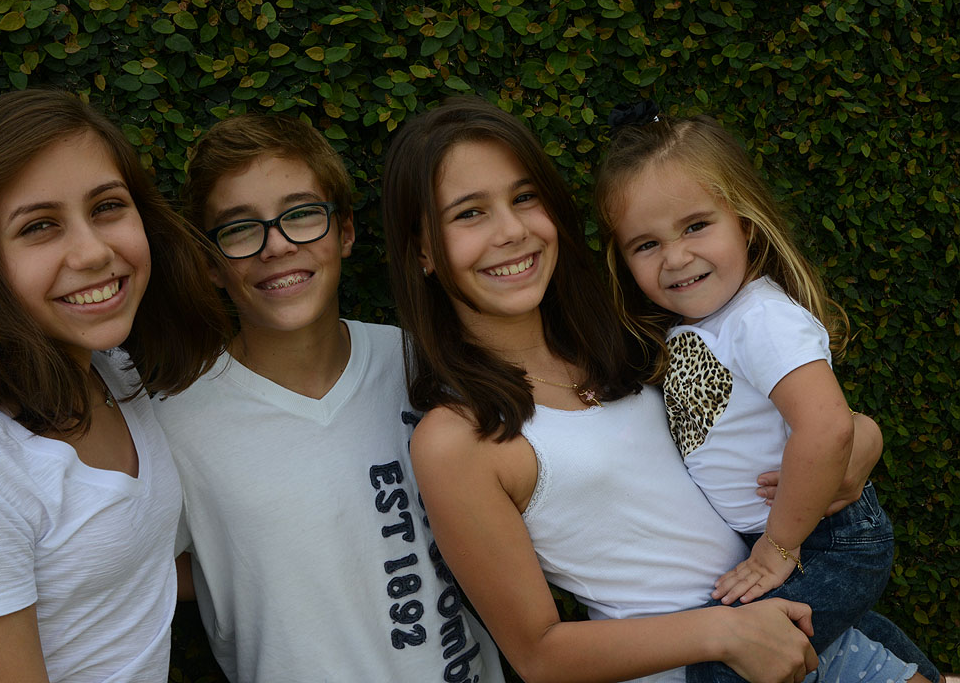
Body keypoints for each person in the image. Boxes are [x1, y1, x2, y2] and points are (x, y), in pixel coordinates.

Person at [379, 95, 927, 683]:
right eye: (469, 213)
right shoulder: (457, 437)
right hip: (711, 658)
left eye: (524, 197)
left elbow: (769, 419)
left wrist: (862, 438)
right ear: (423, 250)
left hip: (792, 605)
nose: (512, 231)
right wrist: (722, 632)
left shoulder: (633, 339)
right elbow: (538, 655)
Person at [0, 89, 227, 682]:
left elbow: (120, 570)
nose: (92, 252)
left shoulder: (112, 371)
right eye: (39, 226)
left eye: (108, 206)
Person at [153, 112, 504, 682]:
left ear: (344, 232)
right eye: (240, 229)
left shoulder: (421, 363)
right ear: (211, 263)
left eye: (301, 215)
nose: (276, 245)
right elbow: (124, 574)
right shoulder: (176, 424)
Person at [593, 104, 939, 683]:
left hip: (825, 539)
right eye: (646, 245)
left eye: (696, 226)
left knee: (721, 667)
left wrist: (777, 547)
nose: (676, 257)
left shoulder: (761, 319)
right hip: (782, 537)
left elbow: (827, 427)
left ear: (746, 224)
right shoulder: (691, 327)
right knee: (839, 637)